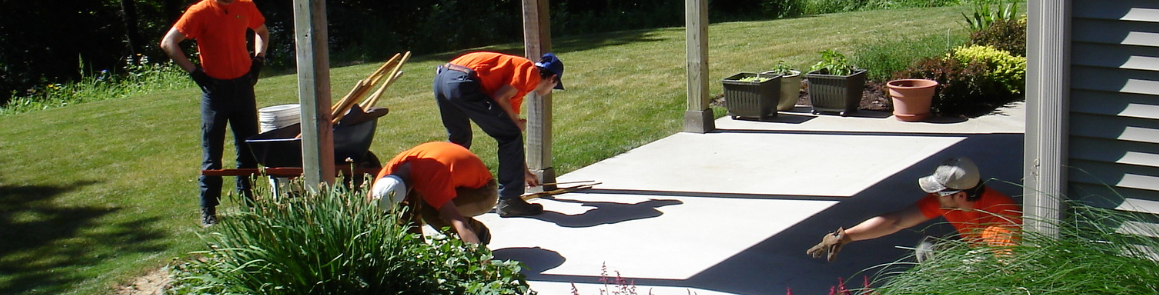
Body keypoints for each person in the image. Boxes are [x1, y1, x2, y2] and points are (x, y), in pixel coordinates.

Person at [160, 0, 270, 226]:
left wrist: (258, 60)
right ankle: (208, 210)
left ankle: (250, 203)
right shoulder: (200, 11)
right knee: (212, 152)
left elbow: (261, 31)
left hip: (243, 87)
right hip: (215, 91)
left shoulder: (245, 6)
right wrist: (195, 73)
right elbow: (168, 43)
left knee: (248, 148)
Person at [807, 157, 1022, 262]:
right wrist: (845, 237)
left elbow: (1008, 266)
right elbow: (896, 221)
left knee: (970, 265)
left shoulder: (999, 219)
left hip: (998, 261)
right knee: (929, 249)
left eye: (939, 191)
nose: (933, 196)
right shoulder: (948, 202)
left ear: (961, 195)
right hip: (979, 250)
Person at [433, 51, 564, 217]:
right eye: (554, 86)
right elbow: (500, 98)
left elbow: (511, 126)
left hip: (442, 79)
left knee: (459, 140)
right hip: (461, 82)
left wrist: (524, 171)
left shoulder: (517, 83)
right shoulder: (530, 72)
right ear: (553, 78)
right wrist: (516, 124)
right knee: (509, 135)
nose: (551, 90)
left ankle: (438, 193)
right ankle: (510, 201)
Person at [368, 142, 501, 244]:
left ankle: (480, 234)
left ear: (406, 194)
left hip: (483, 191)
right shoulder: (387, 174)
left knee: (433, 212)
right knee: (407, 212)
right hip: (451, 179)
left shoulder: (431, 177)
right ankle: (417, 249)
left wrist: (481, 261)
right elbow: (368, 202)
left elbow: (459, 222)